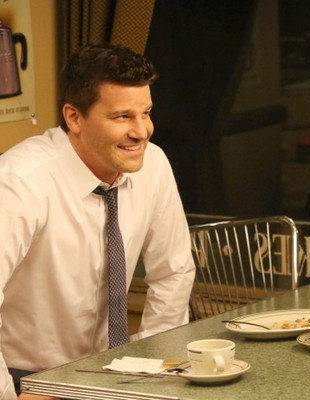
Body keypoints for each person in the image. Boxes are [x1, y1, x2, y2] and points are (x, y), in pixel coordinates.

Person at [0, 44, 196, 399]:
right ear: (74, 117)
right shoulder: (18, 183)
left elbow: (173, 272)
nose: (142, 131)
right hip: (28, 380)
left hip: (116, 371)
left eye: (146, 113)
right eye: (122, 117)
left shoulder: (153, 163)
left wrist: (152, 366)